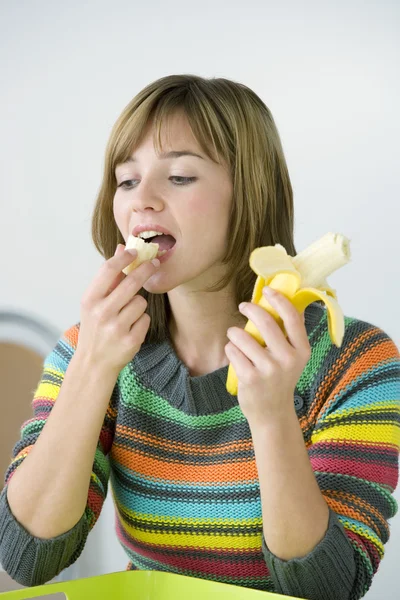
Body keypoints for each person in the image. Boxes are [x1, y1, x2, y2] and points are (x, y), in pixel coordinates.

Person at [0, 74, 399, 600]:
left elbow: (330, 588)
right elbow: (28, 557)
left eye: (180, 176)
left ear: (251, 193)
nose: (141, 200)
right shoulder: (92, 348)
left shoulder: (357, 362)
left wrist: (273, 414)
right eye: (125, 180)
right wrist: (92, 368)